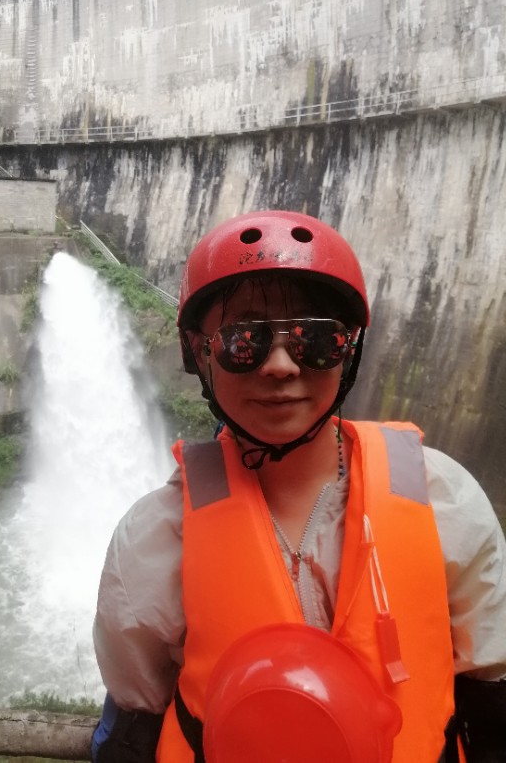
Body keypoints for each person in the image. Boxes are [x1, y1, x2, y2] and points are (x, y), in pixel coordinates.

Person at [91, 210, 506, 762]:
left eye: (317, 339)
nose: (282, 365)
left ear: (350, 348)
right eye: (245, 340)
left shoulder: (440, 498)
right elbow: (133, 721)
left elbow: (491, 698)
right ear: (199, 352)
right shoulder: (158, 537)